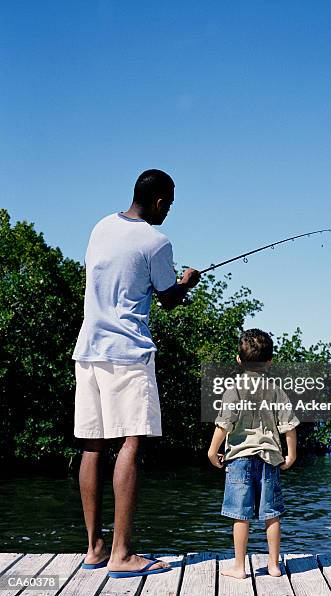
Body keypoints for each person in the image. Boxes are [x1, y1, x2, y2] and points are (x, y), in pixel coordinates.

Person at [72, 169, 200, 578]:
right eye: (171, 204)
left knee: (91, 446)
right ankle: (122, 554)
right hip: (128, 353)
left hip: (88, 349)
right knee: (131, 442)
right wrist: (187, 281)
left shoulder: (100, 227)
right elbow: (168, 300)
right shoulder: (155, 241)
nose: (170, 211)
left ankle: (94, 548)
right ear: (160, 201)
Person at [208, 329, 299, 579]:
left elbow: (224, 423)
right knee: (272, 513)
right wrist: (291, 455)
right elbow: (288, 425)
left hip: (239, 458)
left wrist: (212, 450)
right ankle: (273, 565)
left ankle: (239, 566)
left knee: (240, 514)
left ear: (239, 360)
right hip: (270, 458)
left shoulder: (233, 389)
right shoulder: (276, 390)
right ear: (270, 361)